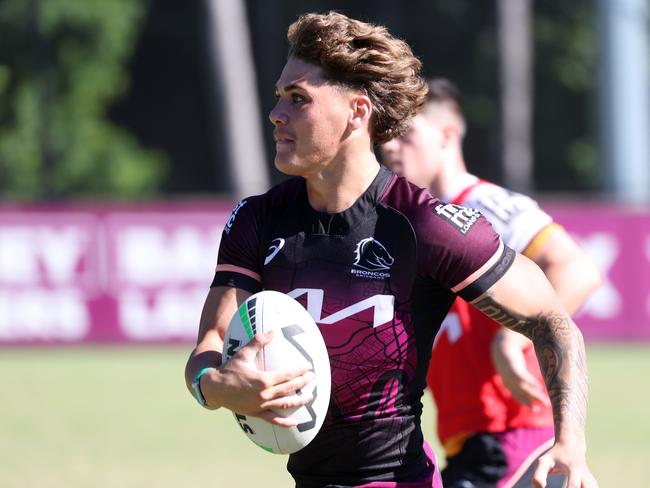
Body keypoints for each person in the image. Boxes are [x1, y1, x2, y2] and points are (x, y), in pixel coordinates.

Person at [185, 12, 597, 488]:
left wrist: (570, 441)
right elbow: (208, 347)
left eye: (299, 99)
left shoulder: (423, 223)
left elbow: (552, 321)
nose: (277, 113)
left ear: (357, 114)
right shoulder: (257, 219)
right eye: (279, 96)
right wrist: (215, 386)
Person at [381, 78, 602, 488]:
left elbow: (577, 270)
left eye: (405, 134)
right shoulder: (414, 223)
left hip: (512, 434)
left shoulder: (486, 207)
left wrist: (511, 339)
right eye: (387, 137)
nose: (390, 147)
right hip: (470, 443)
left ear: (447, 134)